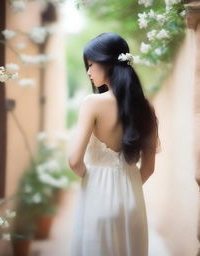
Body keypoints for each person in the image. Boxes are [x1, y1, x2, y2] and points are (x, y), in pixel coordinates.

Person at [68, 32, 160, 256]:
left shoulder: (93, 103)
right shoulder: (146, 108)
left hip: (97, 199)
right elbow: (148, 168)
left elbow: (73, 161)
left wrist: (92, 178)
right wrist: (126, 184)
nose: (88, 72)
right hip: (133, 203)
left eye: (91, 64)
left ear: (107, 63)